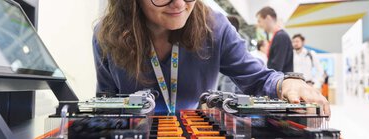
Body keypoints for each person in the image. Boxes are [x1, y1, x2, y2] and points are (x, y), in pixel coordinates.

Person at [93, 0, 329, 115]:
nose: (178, 4)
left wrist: (286, 82)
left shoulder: (215, 27)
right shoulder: (107, 35)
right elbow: (106, 103)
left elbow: (258, 79)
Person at [256, 6, 293, 73]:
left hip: (281, 81)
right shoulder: (278, 36)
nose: (259, 25)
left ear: (268, 18)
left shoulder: (281, 36)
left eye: (259, 21)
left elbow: (276, 68)